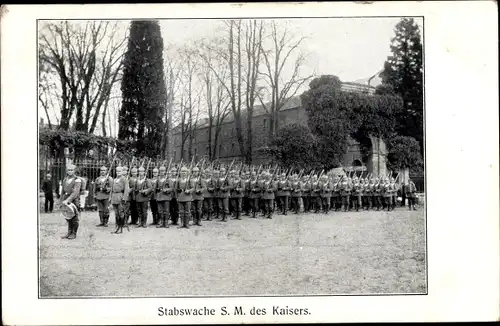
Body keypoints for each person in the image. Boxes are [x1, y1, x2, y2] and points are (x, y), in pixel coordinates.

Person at [60, 164, 82, 240]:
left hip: (73, 200)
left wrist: (68, 200)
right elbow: (62, 191)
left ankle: (74, 233)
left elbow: (75, 192)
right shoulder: (65, 179)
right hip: (65, 198)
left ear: (74, 171)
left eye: (72, 170)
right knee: (68, 217)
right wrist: (61, 201)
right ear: (66, 171)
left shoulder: (77, 180)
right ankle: (69, 232)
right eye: (69, 170)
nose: (70, 171)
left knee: (74, 217)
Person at [110, 166, 129, 234]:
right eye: (117, 171)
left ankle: (120, 228)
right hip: (114, 197)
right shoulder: (114, 180)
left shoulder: (124, 179)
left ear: (122, 172)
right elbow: (111, 190)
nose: (118, 172)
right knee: (116, 213)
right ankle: (117, 227)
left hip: (120, 197)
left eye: (119, 171)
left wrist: (124, 198)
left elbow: (126, 190)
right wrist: (110, 197)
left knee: (121, 213)